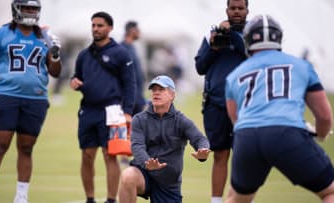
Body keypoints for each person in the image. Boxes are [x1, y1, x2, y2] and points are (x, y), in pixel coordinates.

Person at [225, 14, 334, 203]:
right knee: (329, 191)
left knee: (237, 199)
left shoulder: (234, 75)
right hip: (286, 133)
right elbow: (324, 115)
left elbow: (235, 118)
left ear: (248, 40)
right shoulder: (301, 66)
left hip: (246, 137)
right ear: (278, 38)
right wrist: (321, 134)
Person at [0, 0, 62, 202]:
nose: (31, 12)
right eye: (27, 8)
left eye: (34, 8)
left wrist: (55, 54)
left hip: (36, 99)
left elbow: (56, 72)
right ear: (16, 9)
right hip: (6, 95)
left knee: (26, 148)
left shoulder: (45, 36)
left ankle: (21, 196)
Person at [70, 11, 136, 203]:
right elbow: (77, 77)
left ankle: (110, 199)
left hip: (112, 111)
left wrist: (128, 112)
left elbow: (130, 84)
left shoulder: (121, 53)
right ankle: (90, 199)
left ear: (110, 28)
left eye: (100, 25)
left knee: (110, 155)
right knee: (87, 155)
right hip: (88, 111)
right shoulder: (84, 54)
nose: (96, 29)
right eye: (93, 25)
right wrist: (75, 83)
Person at [118, 75, 211, 203]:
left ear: (172, 95)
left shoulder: (181, 120)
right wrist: (147, 162)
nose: (156, 93)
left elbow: (199, 138)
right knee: (128, 176)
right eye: (153, 89)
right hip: (144, 174)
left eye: (161, 89)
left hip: (169, 184)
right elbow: (137, 146)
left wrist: (203, 151)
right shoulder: (139, 119)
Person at [194, 0, 248, 202]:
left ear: (246, 10)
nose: (236, 11)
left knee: (243, 156)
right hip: (215, 105)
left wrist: (232, 33)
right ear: (226, 10)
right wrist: (213, 45)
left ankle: (238, 199)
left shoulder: (253, 34)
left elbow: (250, 54)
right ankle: (216, 201)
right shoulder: (213, 34)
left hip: (244, 106)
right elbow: (200, 67)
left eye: (240, 8)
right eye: (232, 8)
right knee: (220, 154)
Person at [121, 20, 147, 115]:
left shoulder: (133, 47)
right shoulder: (121, 49)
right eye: (138, 29)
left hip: (137, 97)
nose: (140, 32)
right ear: (132, 30)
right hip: (128, 99)